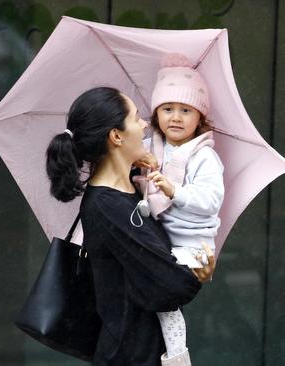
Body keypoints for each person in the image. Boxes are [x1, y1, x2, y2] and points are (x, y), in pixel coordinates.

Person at [46, 86, 215, 366]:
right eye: (137, 119)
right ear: (116, 136)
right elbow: (169, 285)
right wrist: (197, 274)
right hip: (131, 355)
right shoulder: (108, 207)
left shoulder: (126, 191)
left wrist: (141, 172)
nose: (146, 124)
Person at [133, 53, 225, 364]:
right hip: (164, 242)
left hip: (195, 248)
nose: (176, 117)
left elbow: (210, 201)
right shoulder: (150, 147)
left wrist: (176, 191)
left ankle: (177, 357)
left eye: (186, 110)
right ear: (155, 113)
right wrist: (136, 174)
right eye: (167, 108)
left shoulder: (203, 157)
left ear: (200, 118)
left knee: (165, 302)